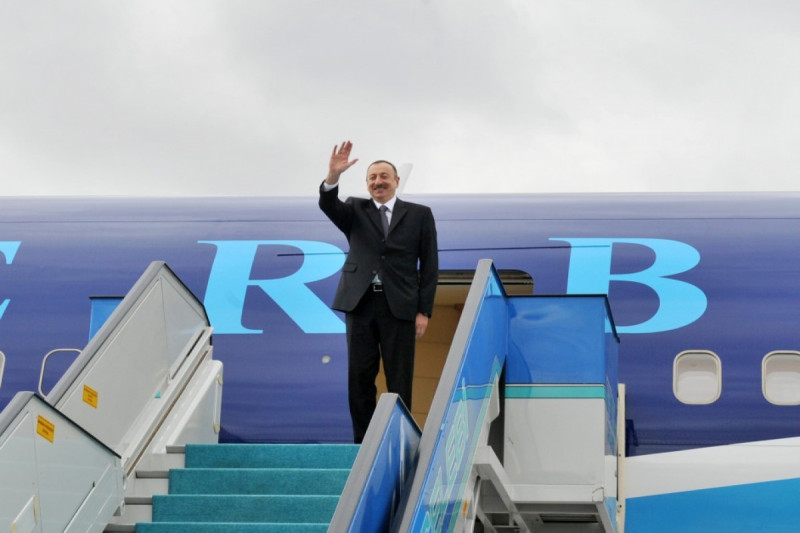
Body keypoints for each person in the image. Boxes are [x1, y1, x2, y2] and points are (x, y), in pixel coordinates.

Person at [319, 140, 438, 443]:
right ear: (366, 184)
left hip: (399, 305)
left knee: (400, 378)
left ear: (396, 181)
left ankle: (399, 440)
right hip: (360, 303)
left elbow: (430, 265)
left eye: (384, 176)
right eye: (372, 178)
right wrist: (333, 175)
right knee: (359, 376)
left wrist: (424, 310)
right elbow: (328, 204)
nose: (378, 182)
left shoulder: (420, 215)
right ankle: (364, 443)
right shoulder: (355, 209)